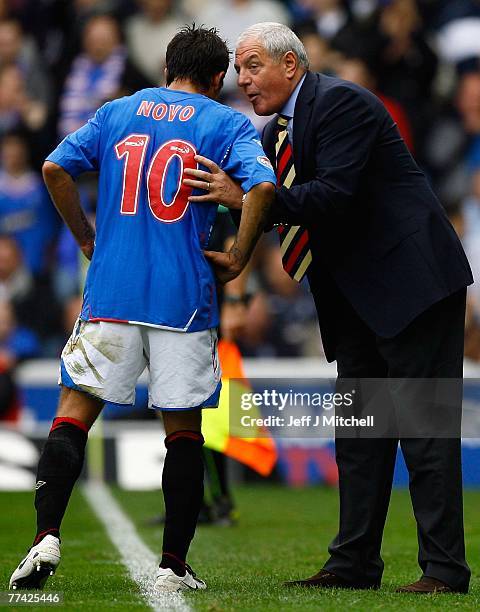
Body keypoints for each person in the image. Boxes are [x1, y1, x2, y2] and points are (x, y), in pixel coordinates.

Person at [184, 22, 473, 594]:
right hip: (357, 298)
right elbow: (268, 206)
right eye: (239, 69)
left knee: (424, 432)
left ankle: (444, 571)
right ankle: (353, 564)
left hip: (411, 287)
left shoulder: (342, 104)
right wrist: (237, 263)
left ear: (291, 65)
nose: (243, 79)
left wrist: (248, 201)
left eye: (253, 66)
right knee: (360, 435)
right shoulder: (276, 134)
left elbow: (330, 198)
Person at [9, 24, 275, 592]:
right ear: (216, 79)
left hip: (112, 291)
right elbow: (264, 189)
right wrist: (238, 255)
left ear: (164, 70)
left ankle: (45, 537)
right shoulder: (225, 122)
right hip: (184, 298)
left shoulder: (116, 112)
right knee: (182, 432)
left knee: (72, 415)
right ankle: (172, 565)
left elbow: (55, 168)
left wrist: (86, 237)